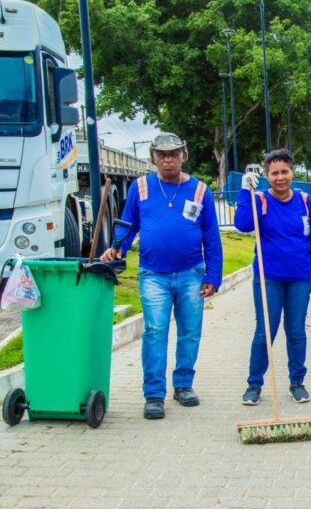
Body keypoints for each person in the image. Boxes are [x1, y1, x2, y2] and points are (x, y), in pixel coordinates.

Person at [101, 133, 222, 419]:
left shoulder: (200, 190)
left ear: (184, 156)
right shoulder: (140, 187)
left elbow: (211, 237)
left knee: (190, 332)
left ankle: (183, 385)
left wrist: (213, 276)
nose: (168, 160)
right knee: (155, 331)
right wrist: (117, 247)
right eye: (162, 155)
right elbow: (128, 224)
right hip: (153, 273)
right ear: (153, 158)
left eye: (174, 154)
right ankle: (154, 394)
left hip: (192, 273)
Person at [234, 149, 311, 405]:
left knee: (296, 331)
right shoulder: (261, 200)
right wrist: (245, 192)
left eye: (284, 172)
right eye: (274, 173)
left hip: (300, 277)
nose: (280, 177)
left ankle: (297, 382)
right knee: (265, 332)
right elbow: (243, 224)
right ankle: (254, 385)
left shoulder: (306, 202)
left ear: (292, 172)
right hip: (269, 278)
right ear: (266, 175)